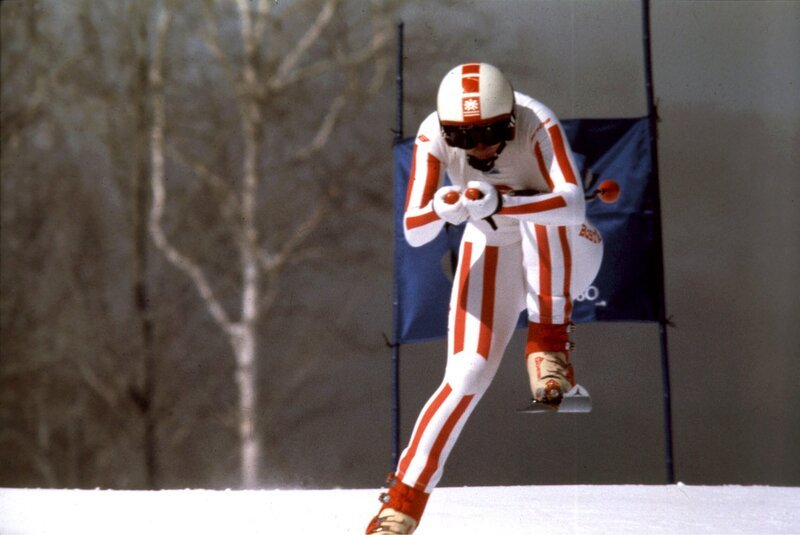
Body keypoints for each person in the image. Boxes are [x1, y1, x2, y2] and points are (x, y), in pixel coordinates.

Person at [366, 63, 603, 534]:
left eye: (493, 133)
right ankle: (401, 504)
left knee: (546, 216)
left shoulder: (537, 120)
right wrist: (442, 208)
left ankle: (549, 343)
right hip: (492, 246)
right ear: (446, 132)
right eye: (463, 138)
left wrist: (504, 202)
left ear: (511, 120)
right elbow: (414, 230)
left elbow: (573, 203)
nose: (479, 148)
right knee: (466, 373)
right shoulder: (431, 135)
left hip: (567, 251)